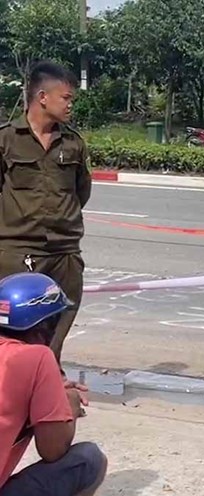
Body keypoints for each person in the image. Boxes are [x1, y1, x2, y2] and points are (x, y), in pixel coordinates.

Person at [0, 61, 92, 363]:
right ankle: (13, 378)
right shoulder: (6, 139)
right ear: (42, 97)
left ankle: (49, 372)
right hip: (18, 251)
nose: (70, 104)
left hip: (64, 251)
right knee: (14, 330)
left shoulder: (73, 143)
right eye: (65, 98)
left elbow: (81, 191)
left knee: (60, 319)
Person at [0, 272, 106, 496]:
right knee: (88, 460)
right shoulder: (36, 357)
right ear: (45, 326)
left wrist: (49, 391)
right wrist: (69, 404)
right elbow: (53, 450)